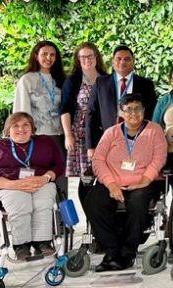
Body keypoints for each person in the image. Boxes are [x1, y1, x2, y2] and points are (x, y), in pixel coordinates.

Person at [85, 93, 167, 272]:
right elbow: (98, 160)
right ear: (121, 113)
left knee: (138, 203)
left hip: (143, 182)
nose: (134, 113)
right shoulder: (111, 133)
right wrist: (111, 184)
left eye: (138, 108)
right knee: (93, 201)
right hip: (113, 182)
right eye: (128, 109)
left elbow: (159, 158)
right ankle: (113, 251)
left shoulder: (154, 130)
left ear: (144, 111)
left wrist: (144, 180)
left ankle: (128, 253)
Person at [0, 113, 64, 260]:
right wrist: (13, 184)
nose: (21, 129)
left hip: (40, 181)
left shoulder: (45, 142)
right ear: (7, 129)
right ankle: (21, 245)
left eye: (25, 125)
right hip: (8, 185)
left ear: (32, 128)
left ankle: (42, 242)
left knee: (43, 202)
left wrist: (45, 178)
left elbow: (58, 165)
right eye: (15, 125)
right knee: (20, 203)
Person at [13, 40, 67, 193]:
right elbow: (21, 111)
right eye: (44, 54)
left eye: (52, 55)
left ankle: (62, 217)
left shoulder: (61, 80)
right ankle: (40, 216)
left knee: (60, 179)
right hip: (37, 136)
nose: (48, 58)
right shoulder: (27, 80)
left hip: (59, 136)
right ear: (36, 56)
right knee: (38, 179)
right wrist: (25, 136)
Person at [86, 45, 157, 156]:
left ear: (133, 62)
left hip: (138, 140)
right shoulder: (101, 83)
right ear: (113, 62)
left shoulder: (146, 85)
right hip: (108, 140)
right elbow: (91, 114)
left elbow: (152, 114)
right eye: (119, 59)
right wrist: (91, 146)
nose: (122, 62)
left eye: (127, 59)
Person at [59, 42, 107, 207]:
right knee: (86, 178)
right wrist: (68, 136)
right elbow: (64, 109)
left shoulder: (106, 78)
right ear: (78, 60)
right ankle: (90, 218)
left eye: (90, 56)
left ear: (96, 57)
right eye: (82, 57)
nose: (87, 60)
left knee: (104, 175)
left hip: (104, 133)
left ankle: (101, 215)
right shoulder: (73, 81)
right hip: (81, 135)